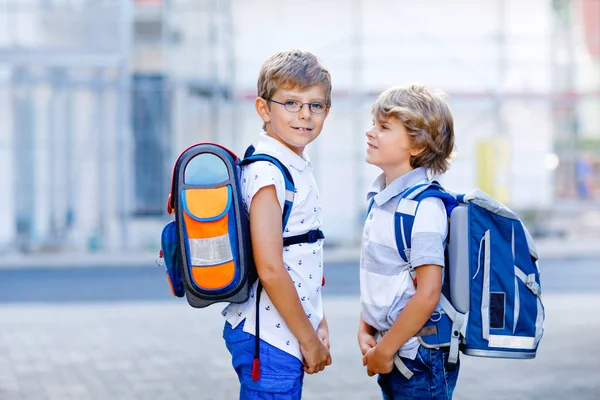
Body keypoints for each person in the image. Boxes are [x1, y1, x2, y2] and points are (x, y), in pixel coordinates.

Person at [222, 49, 332, 399]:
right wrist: (308, 339)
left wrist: (317, 318)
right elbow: (270, 268)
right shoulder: (268, 173)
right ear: (263, 109)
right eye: (291, 103)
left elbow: (301, 254)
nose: (304, 115)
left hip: (282, 329)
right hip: (268, 335)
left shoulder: (294, 165)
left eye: (316, 105)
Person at [357, 84, 459, 399]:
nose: (370, 133)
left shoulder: (424, 208)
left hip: (419, 357)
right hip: (394, 347)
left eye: (384, 127)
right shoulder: (381, 200)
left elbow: (428, 293)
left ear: (415, 145)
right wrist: (366, 328)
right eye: (374, 124)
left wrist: (385, 351)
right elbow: (381, 273)